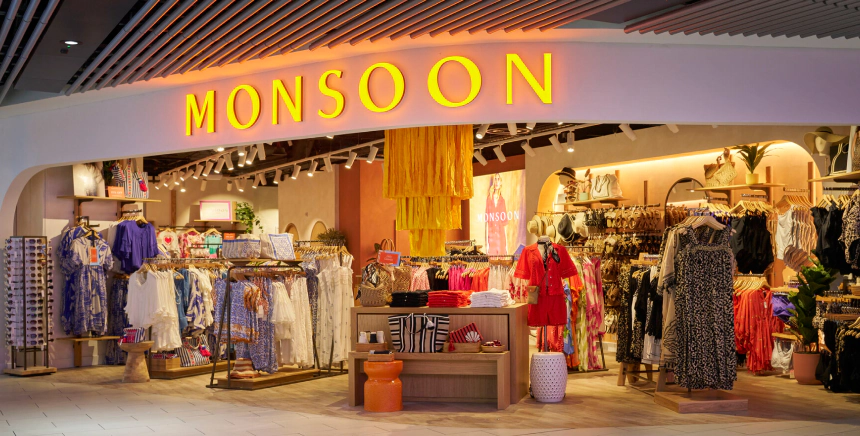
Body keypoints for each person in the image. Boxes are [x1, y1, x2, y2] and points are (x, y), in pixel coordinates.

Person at [485, 173, 508, 255]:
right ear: (493, 182)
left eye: (498, 179)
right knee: (492, 263)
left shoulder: (502, 201)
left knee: (502, 263)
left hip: (501, 238)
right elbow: (487, 222)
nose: (497, 181)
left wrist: (506, 246)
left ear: (501, 182)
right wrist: (487, 244)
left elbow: (505, 224)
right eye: (495, 179)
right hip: (492, 238)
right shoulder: (489, 199)